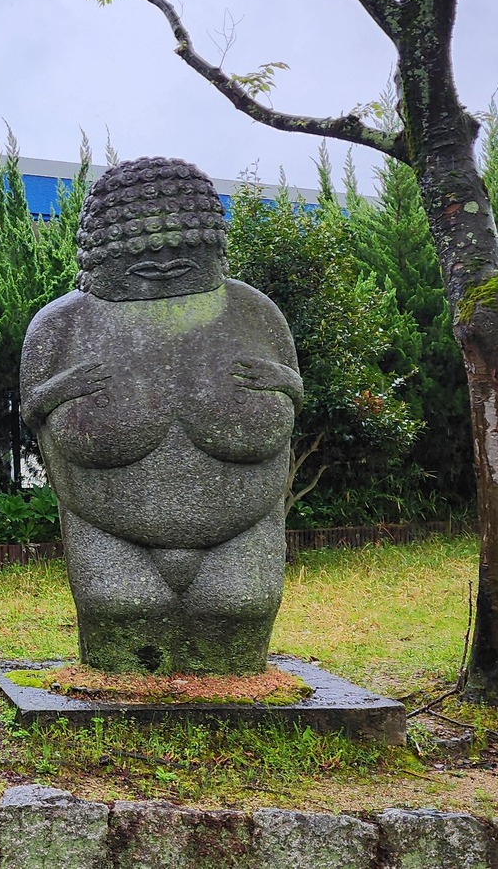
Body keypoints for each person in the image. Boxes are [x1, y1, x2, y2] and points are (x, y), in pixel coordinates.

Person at [21, 157, 300, 675]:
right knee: (121, 612)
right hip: (104, 527)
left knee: (238, 611)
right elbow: (30, 412)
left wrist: (285, 387)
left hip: (244, 526)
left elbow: (295, 395)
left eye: (184, 250)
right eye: (140, 255)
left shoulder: (254, 312)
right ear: (97, 253)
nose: (164, 265)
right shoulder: (61, 324)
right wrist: (58, 391)